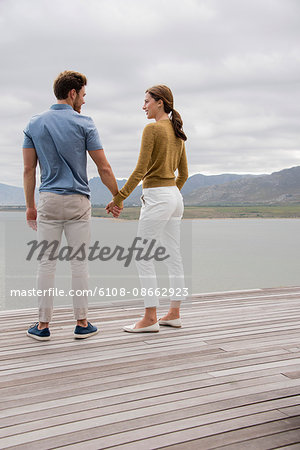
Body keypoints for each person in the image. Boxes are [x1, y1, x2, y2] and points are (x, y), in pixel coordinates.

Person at [23, 70, 121, 341]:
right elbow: (104, 166)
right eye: (83, 95)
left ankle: (42, 327)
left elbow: (29, 170)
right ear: (72, 93)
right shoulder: (85, 123)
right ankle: (82, 323)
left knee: (46, 265)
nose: (84, 102)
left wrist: (30, 206)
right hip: (78, 202)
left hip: (48, 201)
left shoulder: (34, 124)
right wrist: (117, 196)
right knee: (79, 265)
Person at [106, 85, 188, 332]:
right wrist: (171, 193)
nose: (143, 106)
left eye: (146, 102)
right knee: (174, 255)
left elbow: (140, 169)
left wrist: (119, 197)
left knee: (143, 256)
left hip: (158, 196)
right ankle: (174, 313)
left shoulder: (152, 129)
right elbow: (183, 174)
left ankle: (150, 317)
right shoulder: (177, 132)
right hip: (174, 196)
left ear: (160, 102)